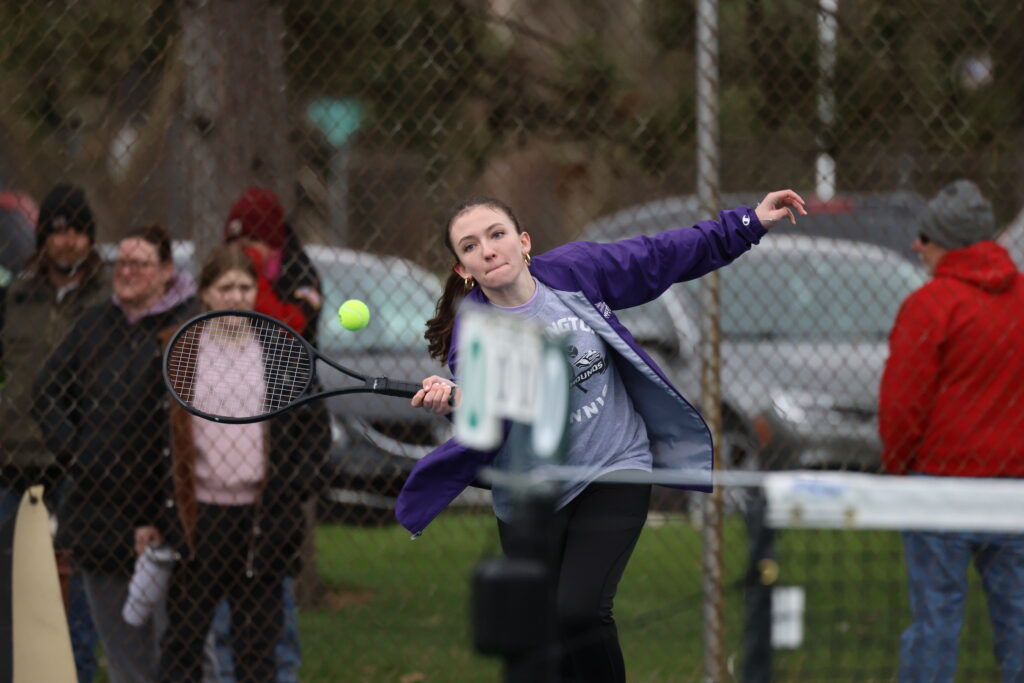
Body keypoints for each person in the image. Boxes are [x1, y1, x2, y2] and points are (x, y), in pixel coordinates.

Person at [397, 190, 806, 682]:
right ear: (462, 268)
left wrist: (746, 223)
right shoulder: (475, 333)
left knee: (580, 612)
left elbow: (661, 255)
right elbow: (494, 421)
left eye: (497, 234)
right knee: (543, 639)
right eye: (470, 246)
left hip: (614, 466)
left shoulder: (575, 272)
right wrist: (459, 403)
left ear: (523, 242)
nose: (487, 249)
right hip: (533, 493)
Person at [144, 245, 330, 682]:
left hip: (262, 519)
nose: (236, 295)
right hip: (198, 519)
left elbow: (315, 433)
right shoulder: (182, 349)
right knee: (184, 642)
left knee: (257, 646)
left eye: (246, 286)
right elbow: (151, 436)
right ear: (205, 293)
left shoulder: (279, 349)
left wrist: (293, 488)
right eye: (225, 286)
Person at [32, 222, 196, 683]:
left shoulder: (184, 328)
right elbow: (46, 391)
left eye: (139, 263)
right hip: (99, 517)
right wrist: (76, 453)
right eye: (120, 262)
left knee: (184, 655)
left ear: (165, 271)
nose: (127, 272)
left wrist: (160, 517)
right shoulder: (94, 325)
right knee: (125, 661)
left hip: (165, 522)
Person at [879, 179, 1024, 682]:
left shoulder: (930, 306)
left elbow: (902, 408)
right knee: (1019, 628)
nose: (917, 245)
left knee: (935, 624)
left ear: (948, 243)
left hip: (938, 491)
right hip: (1014, 493)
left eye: (927, 236)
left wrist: (898, 469)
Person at [214, 186, 324, 682]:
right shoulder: (236, 285)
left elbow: (285, 327)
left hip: (272, 493)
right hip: (219, 498)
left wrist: (293, 483)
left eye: (256, 245)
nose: (248, 258)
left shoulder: (293, 278)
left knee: (272, 623)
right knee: (221, 622)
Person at [0, 183, 105, 682]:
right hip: (11, 464)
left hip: (75, 469)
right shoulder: (14, 298)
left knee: (75, 603)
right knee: (9, 595)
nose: (68, 242)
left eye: (78, 232)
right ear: (43, 238)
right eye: (58, 232)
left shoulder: (106, 302)